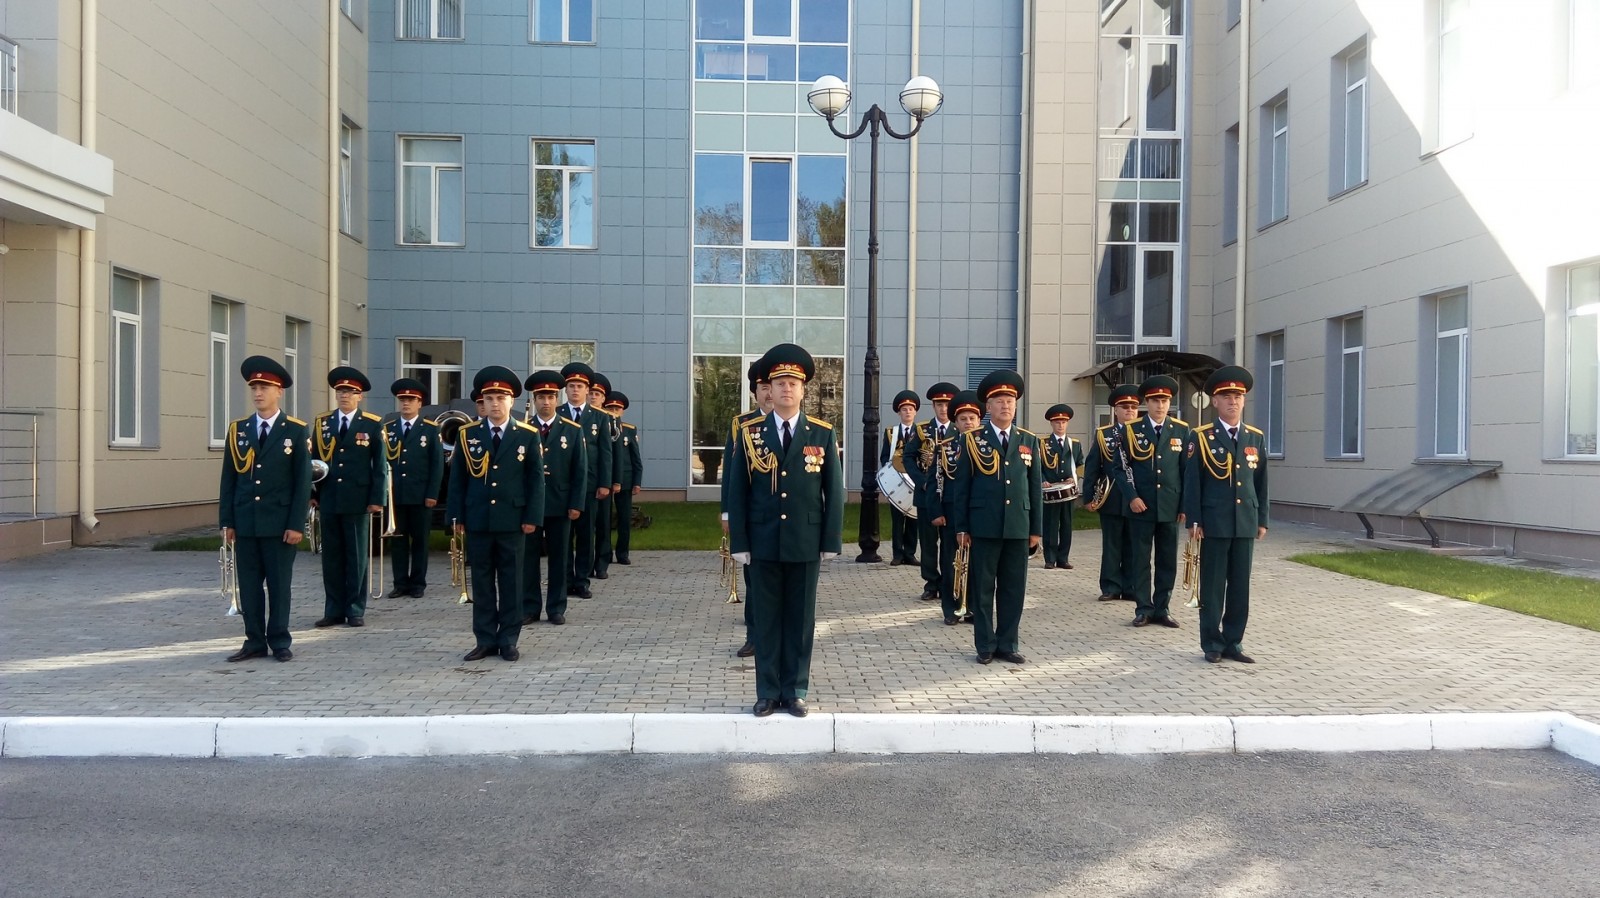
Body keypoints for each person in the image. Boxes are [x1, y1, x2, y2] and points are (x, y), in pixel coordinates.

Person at [727, 343, 844, 717]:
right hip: (762, 540)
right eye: (779, 382)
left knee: (801, 620)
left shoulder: (822, 433)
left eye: (793, 382)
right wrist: (739, 542)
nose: (786, 389)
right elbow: (737, 490)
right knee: (765, 619)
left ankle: (795, 689)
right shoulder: (750, 433)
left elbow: (833, 491)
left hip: (805, 541)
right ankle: (766, 691)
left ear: (804, 388)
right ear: (769, 390)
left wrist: (830, 539)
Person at [448, 366, 545, 662]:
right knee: (481, 581)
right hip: (477, 519)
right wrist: (456, 518)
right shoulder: (467, 434)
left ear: (511, 401)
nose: (494, 403)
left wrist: (532, 517)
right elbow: (458, 481)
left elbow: (535, 481)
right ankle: (485, 638)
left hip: (512, 520)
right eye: (489, 398)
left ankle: (508, 639)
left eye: (500, 398)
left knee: (511, 581)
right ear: (482, 402)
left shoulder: (527, 435)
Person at [219, 356, 312, 662]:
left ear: (279, 391)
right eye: (254, 387)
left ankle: (280, 641)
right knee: (248, 586)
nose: (258, 392)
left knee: (279, 585)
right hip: (247, 522)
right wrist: (227, 521)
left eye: (264, 387)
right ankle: (254, 640)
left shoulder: (296, 431)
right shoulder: (239, 430)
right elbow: (229, 480)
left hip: (279, 523)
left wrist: (297, 524)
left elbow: (302, 482)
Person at [951, 370, 1043, 666]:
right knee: (982, 589)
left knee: (1014, 589)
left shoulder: (1029, 441)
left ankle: (1008, 643)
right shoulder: (972, 440)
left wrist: (1036, 530)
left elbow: (1035, 488)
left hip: (1018, 525)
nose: (1006, 405)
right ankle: (985, 644)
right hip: (983, 526)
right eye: (999, 400)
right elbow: (961, 487)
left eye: (1011, 400)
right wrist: (961, 526)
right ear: (987, 407)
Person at [1182, 365, 1269, 664]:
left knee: (1240, 586)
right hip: (1214, 523)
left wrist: (1262, 519)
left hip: (1245, 522)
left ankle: (1234, 641)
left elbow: (1261, 482)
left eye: (1238, 396)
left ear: (1244, 401)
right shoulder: (1201, 437)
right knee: (1213, 585)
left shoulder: (1255, 438)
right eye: (1226, 396)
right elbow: (1192, 483)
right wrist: (1195, 520)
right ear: (1214, 401)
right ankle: (1211, 643)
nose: (1233, 401)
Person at [312, 367, 388, 629]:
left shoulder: (371, 423)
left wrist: (377, 498)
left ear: (360, 397)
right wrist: (314, 494)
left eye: (350, 392)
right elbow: (313, 463)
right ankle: (333, 609)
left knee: (356, 557)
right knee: (331, 557)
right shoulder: (323, 423)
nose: (344, 396)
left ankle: (355, 608)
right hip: (330, 497)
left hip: (358, 498)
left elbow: (379, 465)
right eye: (340, 391)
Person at [520, 369, 586, 627]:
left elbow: (580, 470)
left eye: (550, 397)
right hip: (530, 506)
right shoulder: (524, 429)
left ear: (557, 399)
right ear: (534, 401)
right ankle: (530, 607)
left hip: (560, 504)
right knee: (529, 558)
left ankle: (556, 607)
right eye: (540, 397)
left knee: (559, 558)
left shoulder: (572, 430)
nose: (545, 402)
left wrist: (576, 504)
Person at [1126, 375, 1191, 628]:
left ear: (1170, 402)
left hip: (1169, 506)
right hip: (1140, 506)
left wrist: (1184, 505)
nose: (1160, 405)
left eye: (1164, 400)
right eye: (1155, 400)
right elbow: (1121, 468)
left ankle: (1162, 607)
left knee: (1167, 559)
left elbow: (1187, 471)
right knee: (1140, 559)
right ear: (1146, 402)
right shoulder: (1132, 430)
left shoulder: (1182, 430)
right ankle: (1143, 608)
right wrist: (1132, 497)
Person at [724, 359, 772, 659]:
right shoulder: (742, 425)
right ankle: (754, 637)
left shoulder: (805, 427)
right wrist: (728, 513)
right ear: (755, 392)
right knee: (754, 582)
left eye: (773, 387)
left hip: (788, 521)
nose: (769, 394)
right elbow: (731, 474)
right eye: (763, 388)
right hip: (754, 519)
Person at [384, 378, 445, 599]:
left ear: (420, 403)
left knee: (420, 541)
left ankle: (418, 583)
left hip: (420, 496)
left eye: (411, 400)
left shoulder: (429, 429)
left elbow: (436, 465)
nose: (406, 403)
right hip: (396, 495)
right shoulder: (388, 429)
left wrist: (431, 494)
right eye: (403, 400)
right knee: (398, 541)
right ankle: (400, 583)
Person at [560, 361, 612, 600]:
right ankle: (564, 580)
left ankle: (581, 581)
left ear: (587, 389)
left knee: (585, 534)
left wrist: (604, 482)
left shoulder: (599, 417)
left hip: (589, 485)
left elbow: (604, 453)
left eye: (580, 386)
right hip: (561, 486)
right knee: (562, 536)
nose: (575, 390)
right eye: (571, 385)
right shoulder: (557, 414)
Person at [1084, 385, 1141, 603]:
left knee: (1133, 545)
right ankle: (1110, 586)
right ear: (1115, 410)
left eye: (1134, 407)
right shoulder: (1104, 434)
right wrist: (1088, 497)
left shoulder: (1142, 433)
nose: (1130, 411)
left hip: (1137, 499)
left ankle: (1130, 586)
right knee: (1112, 545)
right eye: (1124, 407)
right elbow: (1092, 467)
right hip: (1111, 498)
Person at [903, 381, 959, 602]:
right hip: (927, 494)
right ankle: (930, 582)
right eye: (939, 404)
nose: (943, 408)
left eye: (947, 404)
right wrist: (921, 481)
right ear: (933, 406)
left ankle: (948, 582)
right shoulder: (922, 430)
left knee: (949, 543)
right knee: (927, 542)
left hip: (950, 496)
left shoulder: (959, 429)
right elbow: (908, 456)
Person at [937, 390, 984, 625]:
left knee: (976, 563)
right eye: (963, 419)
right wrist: (936, 511)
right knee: (950, 561)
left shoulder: (986, 447)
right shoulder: (945, 447)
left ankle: (973, 607)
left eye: (972, 418)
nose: (968, 423)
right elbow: (935, 482)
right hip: (951, 512)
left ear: (979, 421)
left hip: (979, 512)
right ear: (955, 422)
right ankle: (951, 608)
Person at [1039, 403, 1085, 571]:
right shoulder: (1043, 443)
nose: (1060, 425)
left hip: (1067, 492)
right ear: (1051, 423)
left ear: (1067, 423)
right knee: (1050, 525)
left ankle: (1063, 558)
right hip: (1050, 491)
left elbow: (1080, 464)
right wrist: (1042, 480)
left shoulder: (1075, 444)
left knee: (1066, 524)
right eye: (1057, 422)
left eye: (1063, 422)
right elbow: (1037, 466)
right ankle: (1049, 559)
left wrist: (1074, 478)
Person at [881, 390, 921, 566]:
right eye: (904, 409)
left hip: (915, 480)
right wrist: (890, 474)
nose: (907, 412)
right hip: (896, 481)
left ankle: (910, 553)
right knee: (897, 519)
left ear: (915, 412)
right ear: (899, 412)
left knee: (914, 518)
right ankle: (897, 554)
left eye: (911, 409)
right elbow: (884, 456)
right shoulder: (891, 432)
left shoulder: (921, 432)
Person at [605, 391, 644, 565]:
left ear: (623, 411)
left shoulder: (629, 430)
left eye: (617, 408)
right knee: (604, 519)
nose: (614, 411)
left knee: (624, 517)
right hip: (605, 479)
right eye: (610, 408)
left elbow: (636, 457)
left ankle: (622, 553)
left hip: (626, 480)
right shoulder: (600, 427)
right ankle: (604, 553)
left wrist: (637, 481)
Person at [589, 372, 617, 581]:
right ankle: (587, 563)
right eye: (590, 393)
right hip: (585, 479)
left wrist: (612, 481)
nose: (592, 397)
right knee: (585, 527)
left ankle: (602, 563)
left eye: (597, 394)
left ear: (603, 398)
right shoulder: (580, 417)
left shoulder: (609, 420)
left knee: (603, 524)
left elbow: (613, 454)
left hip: (602, 478)